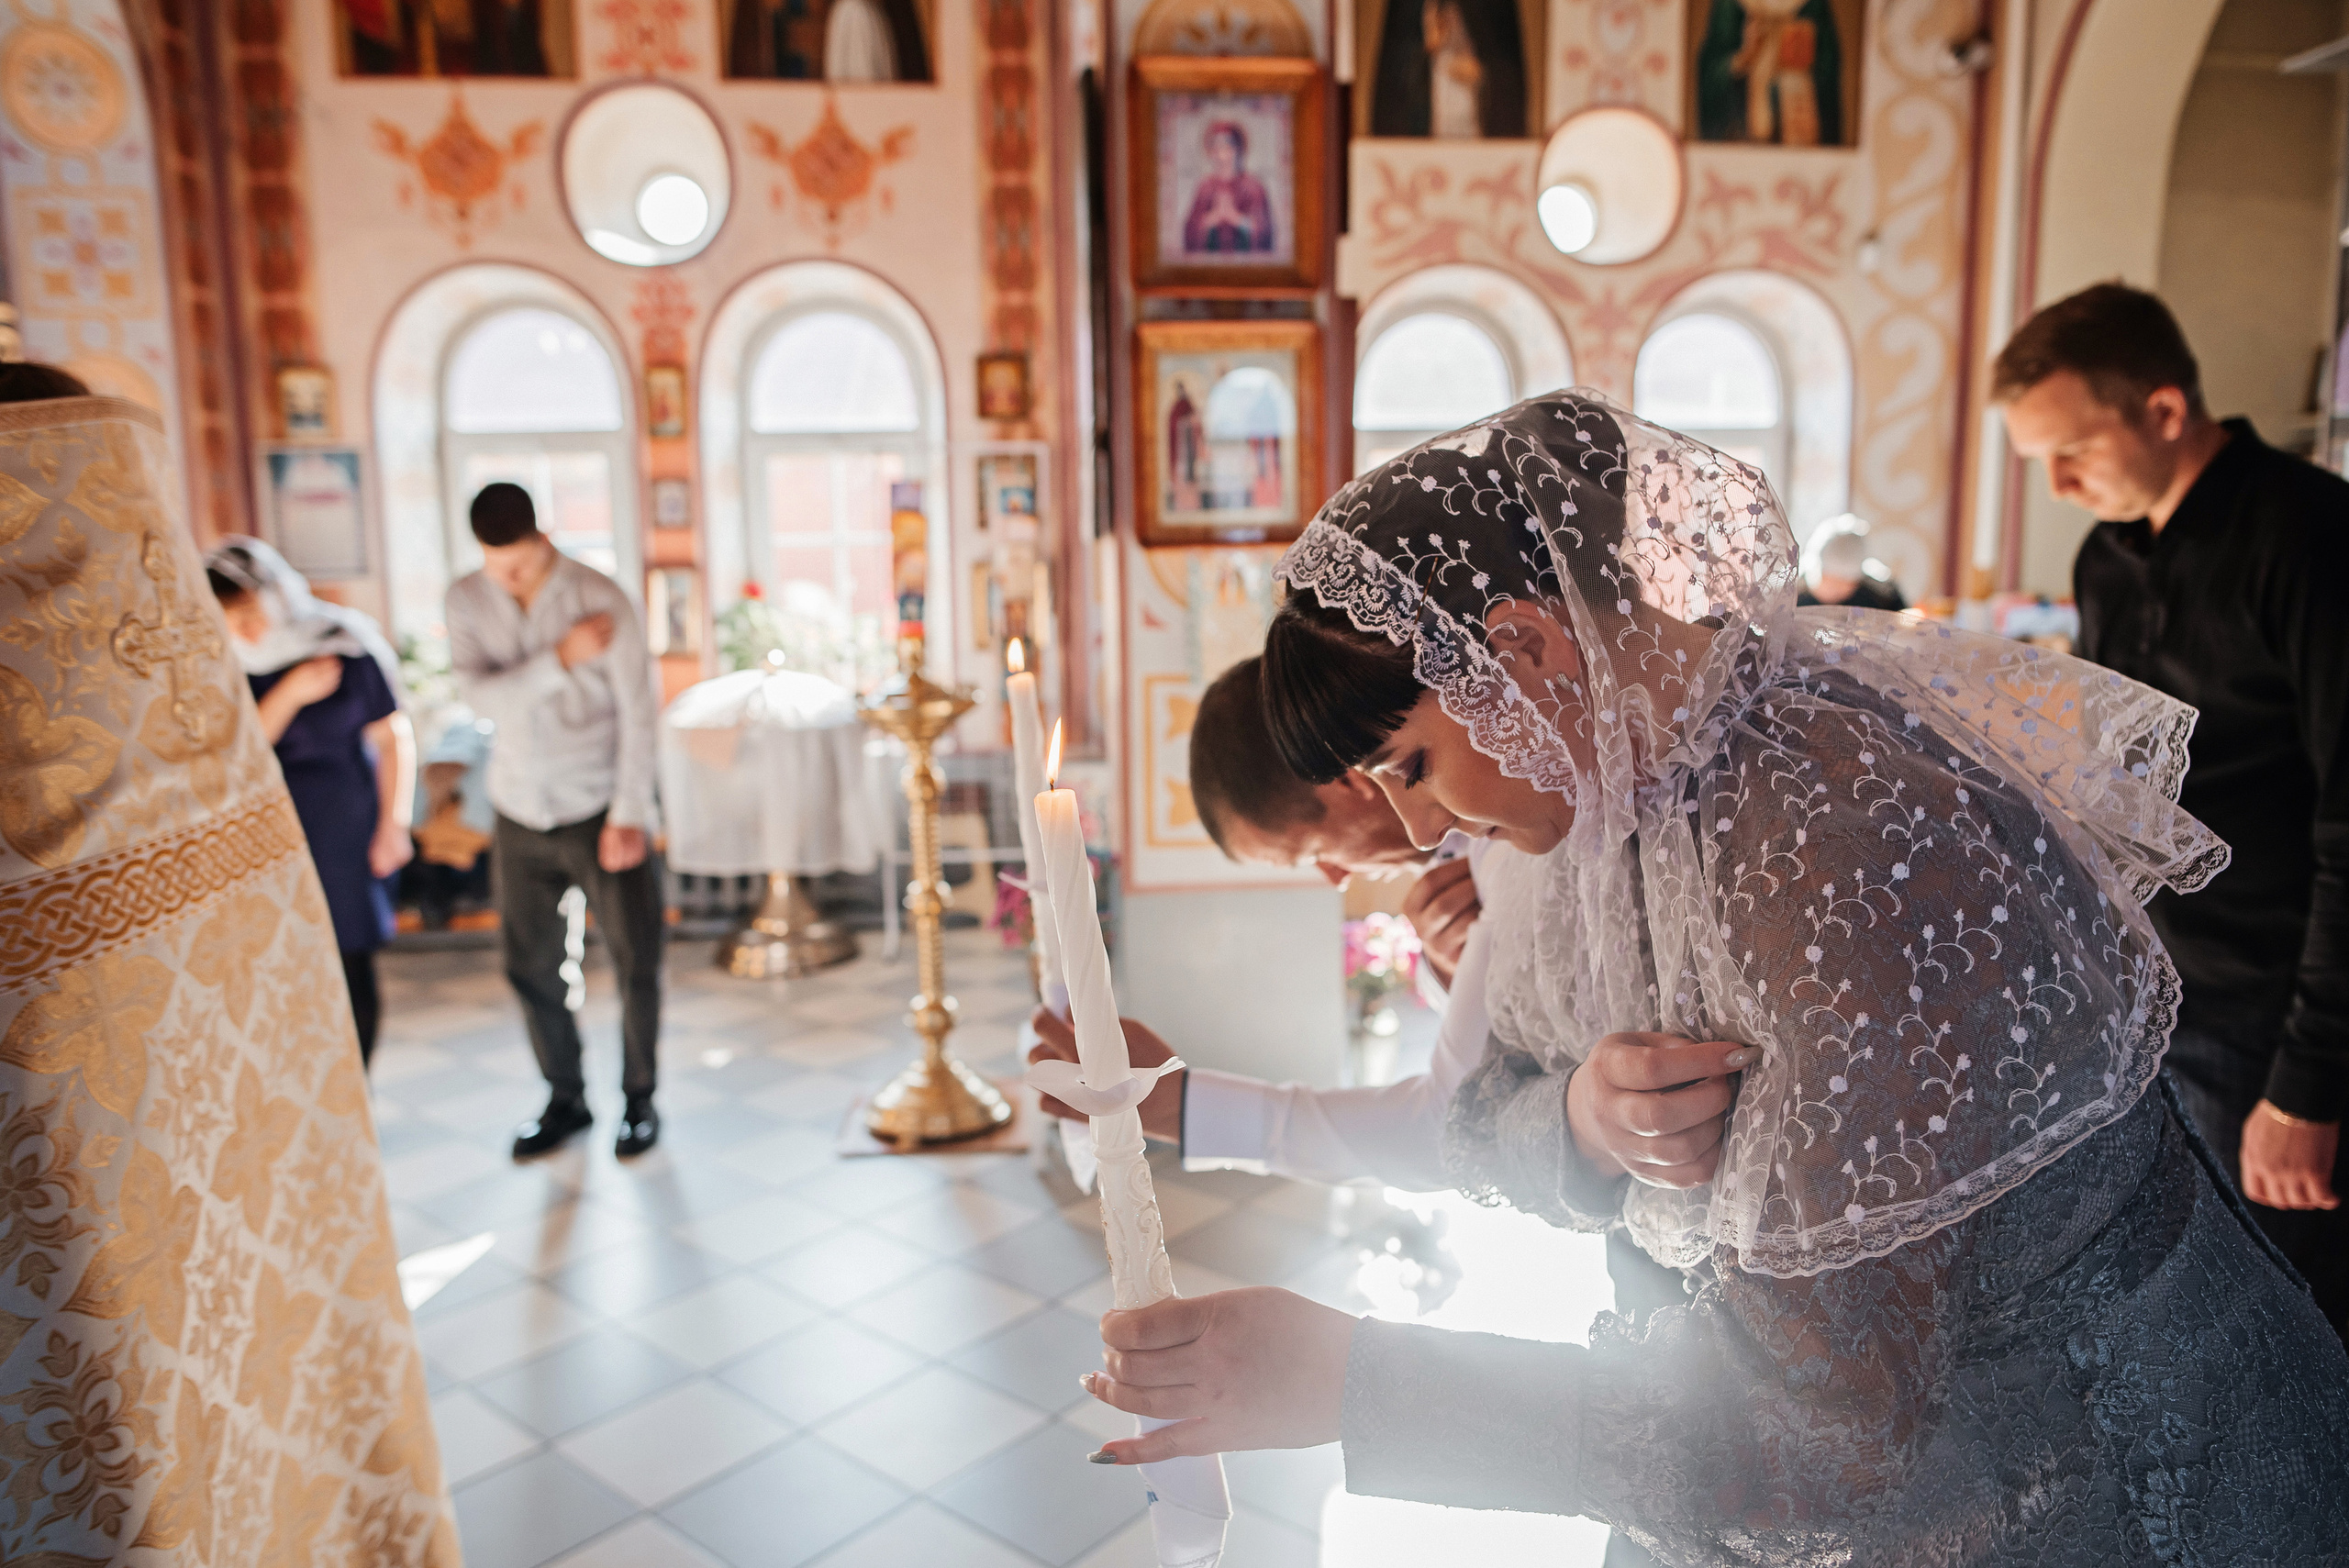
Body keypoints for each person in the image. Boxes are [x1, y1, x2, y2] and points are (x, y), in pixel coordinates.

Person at [1075, 391, 2349, 1563]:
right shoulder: (1586, 801)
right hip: (1773, 1431)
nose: (1417, 831)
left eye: (1409, 764)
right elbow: (1486, 1101)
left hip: (2085, 1474)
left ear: (1522, 649)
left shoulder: (1837, 842)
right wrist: (1581, 1118)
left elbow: (1825, 1436)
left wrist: (1351, 1383)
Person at [0, 384, 457, 1560]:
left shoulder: (329, 642)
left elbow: (392, 732)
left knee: (342, 989)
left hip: (305, 854)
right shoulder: (203, 659)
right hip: (268, 851)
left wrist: (391, 819)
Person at [1997, 283, 2349, 1339]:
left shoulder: (2311, 535)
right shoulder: (2104, 557)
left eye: (2073, 452)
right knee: (2181, 1306)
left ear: (2161, 410)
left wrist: (2306, 1087)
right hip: (2162, 999)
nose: (2058, 486)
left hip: (2280, 1016)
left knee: (2285, 1323)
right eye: (2039, 461)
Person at [447, 483, 664, 1160]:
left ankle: (639, 1098)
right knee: (531, 964)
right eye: (495, 565)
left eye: (518, 563)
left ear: (543, 540)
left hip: (599, 804)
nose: (507, 577)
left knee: (635, 960)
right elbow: (479, 698)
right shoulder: (466, 600)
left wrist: (630, 812)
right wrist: (559, 661)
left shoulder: (601, 597)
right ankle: (565, 1098)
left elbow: (640, 711)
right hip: (518, 805)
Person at [205, 537, 415, 1066]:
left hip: (345, 825)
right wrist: (290, 694)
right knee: (279, 963)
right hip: (264, 832)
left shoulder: (342, 643)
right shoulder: (219, 665)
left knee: (350, 960)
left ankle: (357, 1090)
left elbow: (392, 739)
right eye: (231, 620)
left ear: (276, 596)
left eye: (251, 614)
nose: (247, 631)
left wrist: (394, 825)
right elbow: (233, 758)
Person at [1180, 122, 1275, 255]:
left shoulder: (1253, 187)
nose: (1220, 154)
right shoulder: (1205, 187)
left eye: (1226, 147)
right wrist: (1211, 219)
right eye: (1215, 148)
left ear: (1238, 150)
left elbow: (1264, 233)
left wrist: (1238, 219)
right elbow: (1190, 232)